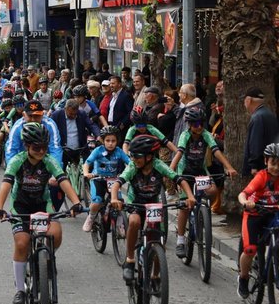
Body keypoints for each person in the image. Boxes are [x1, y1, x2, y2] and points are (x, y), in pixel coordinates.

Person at [0, 122, 83, 304]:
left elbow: (63, 180)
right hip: (21, 207)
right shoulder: (17, 160)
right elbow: (6, 184)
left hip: (43, 205)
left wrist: (76, 202)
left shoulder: (49, 160)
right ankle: (20, 289)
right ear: (27, 146)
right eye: (36, 147)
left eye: (44, 147)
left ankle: (45, 258)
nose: (41, 151)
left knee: (56, 234)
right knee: (22, 243)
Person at [109, 135, 195, 285]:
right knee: (134, 221)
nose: (133, 159)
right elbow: (117, 183)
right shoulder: (133, 167)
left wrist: (190, 197)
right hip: (136, 203)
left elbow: (179, 179)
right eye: (132, 156)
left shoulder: (158, 165)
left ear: (149, 157)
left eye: (137, 156)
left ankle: (155, 275)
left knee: (158, 243)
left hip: (154, 205)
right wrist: (114, 198)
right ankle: (130, 260)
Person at [170, 106, 238, 258]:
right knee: (185, 207)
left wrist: (229, 167)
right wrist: (171, 170)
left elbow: (216, 151)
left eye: (201, 123)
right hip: (185, 172)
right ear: (189, 124)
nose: (199, 126)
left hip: (200, 171)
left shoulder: (206, 134)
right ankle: (180, 240)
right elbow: (179, 152)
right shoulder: (185, 135)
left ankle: (202, 213)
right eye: (195, 124)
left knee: (213, 190)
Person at [237, 143, 279, 298]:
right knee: (250, 249)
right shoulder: (261, 177)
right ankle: (243, 278)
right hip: (254, 214)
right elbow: (243, 194)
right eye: (273, 163)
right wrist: (245, 202)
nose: (276, 168)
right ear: (266, 161)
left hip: (273, 214)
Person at [82, 126, 131, 232]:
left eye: (113, 141)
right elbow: (87, 163)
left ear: (117, 141)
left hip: (113, 180)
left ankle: (120, 224)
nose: (110, 143)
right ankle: (91, 217)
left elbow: (130, 163)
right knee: (97, 202)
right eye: (108, 141)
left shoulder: (119, 151)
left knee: (119, 202)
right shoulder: (98, 150)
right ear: (103, 141)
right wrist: (86, 173)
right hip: (98, 179)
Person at [50, 99, 101, 166]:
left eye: (75, 114)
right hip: (63, 150)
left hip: (80, 150)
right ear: (65, 109)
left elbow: (91, 125)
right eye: (71, 114)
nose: (73, 116)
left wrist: (98, 135)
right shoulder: (56, 115)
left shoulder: (82, 114)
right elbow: (50, 129)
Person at [242, 87, 279, 177]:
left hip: (261, 167)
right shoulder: (270, 114)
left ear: (248, 100)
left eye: (244, 100)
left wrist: (254, 165)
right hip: (271, 163)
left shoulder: (257, 117)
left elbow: (255, 143)